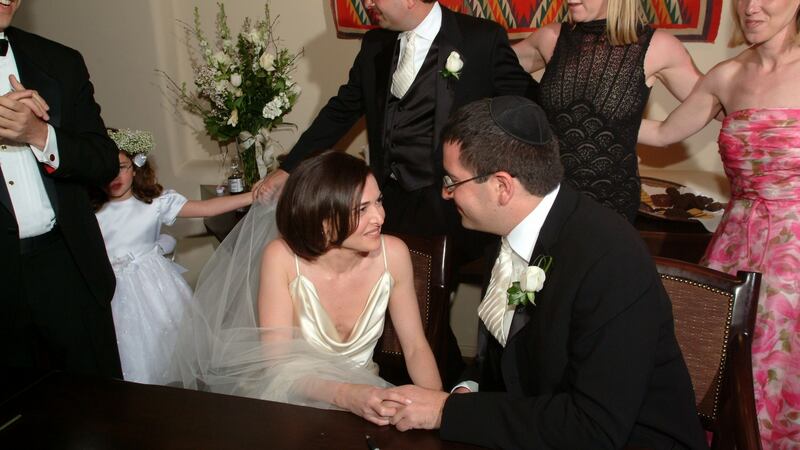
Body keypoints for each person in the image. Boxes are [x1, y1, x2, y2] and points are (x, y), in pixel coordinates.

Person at [383, 96, 706, 449]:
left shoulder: (609, 259)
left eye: (453, 181)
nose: (446, 194)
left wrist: (449, 411)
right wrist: (468, 388)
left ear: (502, 187)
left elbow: (593, 427)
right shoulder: (504, 230)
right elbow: (507, 357)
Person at [257, 0, 534, 386]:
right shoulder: (375, 45)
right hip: (388, 205)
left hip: (456, 207)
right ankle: (417, 388)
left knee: (431, 308)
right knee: (408, 310)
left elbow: (524, 108)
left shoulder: (480, 40)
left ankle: (453, 394)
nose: (367, 3)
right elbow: (341, 109)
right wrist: (289, 168)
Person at [170, 151, 441, 426]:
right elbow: (278, 367)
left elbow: (416, 348)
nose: (379, 217)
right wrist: (347, 395)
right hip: (296, 402)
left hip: (367, 395)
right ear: (322, 218)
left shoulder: (393, 253)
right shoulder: (281, 258)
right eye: (361, 209)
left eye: (379, 202)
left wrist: (438, 409)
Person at [638, 1, 800, 445]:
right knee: (712, 372)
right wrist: (590, 112)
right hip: (734, 250)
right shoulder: (726, 75)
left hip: (796, 258)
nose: (752, 7)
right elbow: (663, 133)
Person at [0, 0, 123, 377]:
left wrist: (41, 135)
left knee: (99, 418)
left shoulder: (59, 61)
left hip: (67, 268)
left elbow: (104, 159)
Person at [513, 0, 701, 222]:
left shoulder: (658, 46)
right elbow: (487, 65)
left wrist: (658, 133)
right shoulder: (550, 38)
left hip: (611, 205)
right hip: (544, 198)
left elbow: (716, 98)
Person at [92, 129, 254, 385]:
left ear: (135, 167)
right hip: (109, 289)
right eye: (106, 169)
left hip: (154, 289)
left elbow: (206, 208)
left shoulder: (155, 202)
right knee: (125, 352)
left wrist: (251, 195)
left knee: (165, 346)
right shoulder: (90, 208)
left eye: (122, 167)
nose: (115, 176)